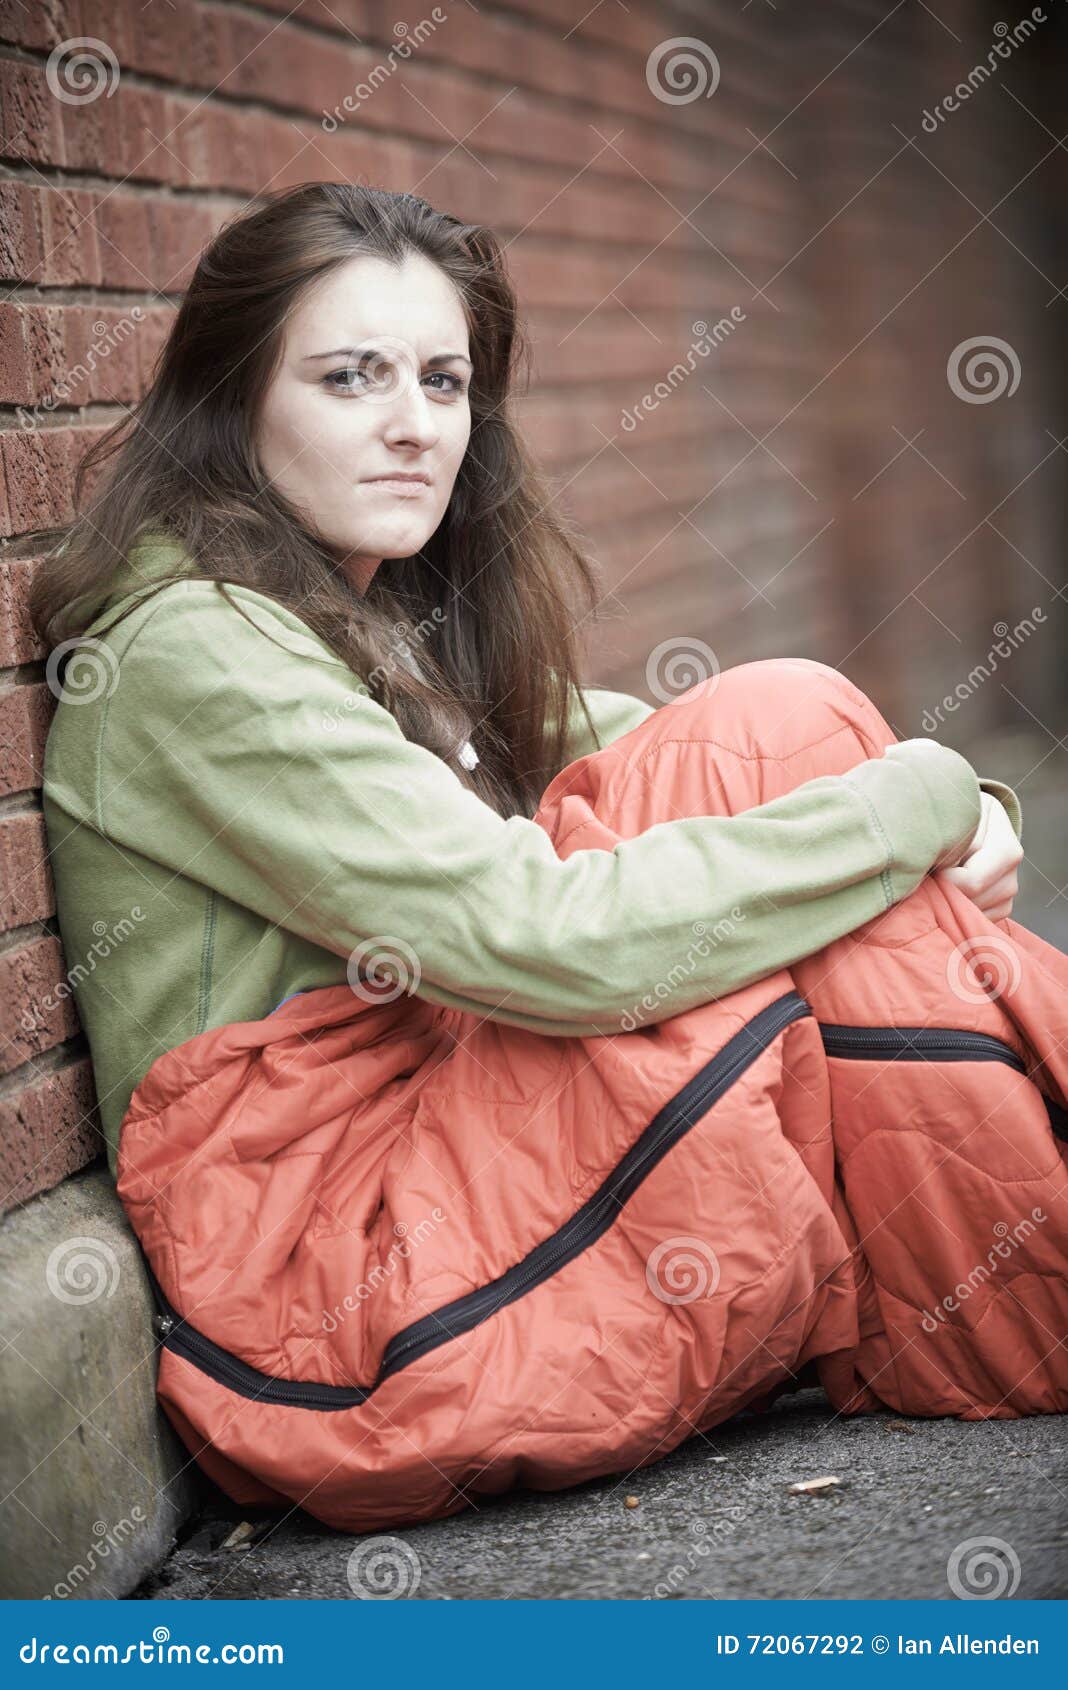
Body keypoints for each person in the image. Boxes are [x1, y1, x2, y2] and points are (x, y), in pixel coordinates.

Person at [25, 181, 1022, 1185]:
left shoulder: (367, 621)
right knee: (843, 992)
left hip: (447, 1125)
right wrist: (915, 807)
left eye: (445, 383)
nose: (414, 426)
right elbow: (547, 936)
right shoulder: (202, 646)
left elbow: (679, 749)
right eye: (349, 379)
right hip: (325, 1211)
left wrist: (953, 804)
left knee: (792, 745)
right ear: (230, 400)